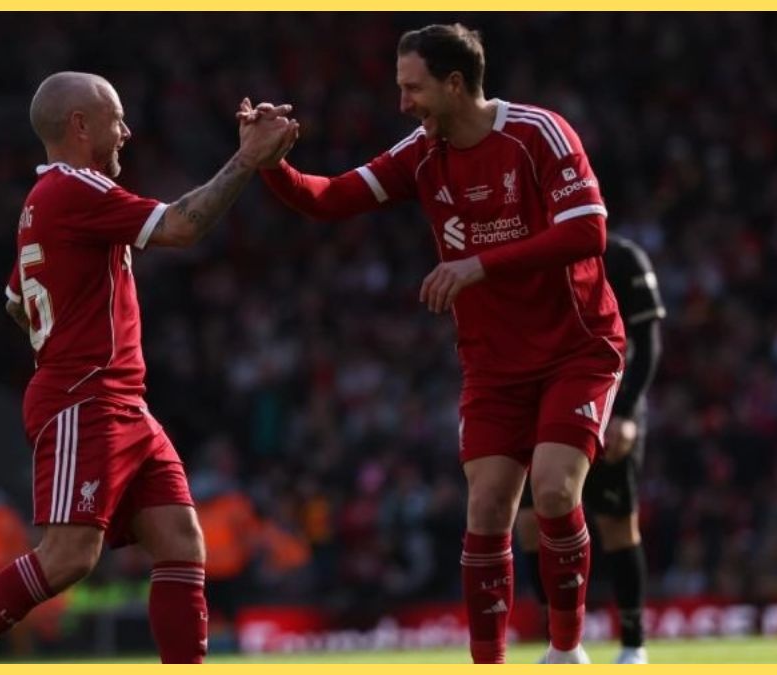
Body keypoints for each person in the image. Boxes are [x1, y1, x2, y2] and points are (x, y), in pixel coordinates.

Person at [248, 23, 625, 663]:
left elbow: (588, 231)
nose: (403, 103)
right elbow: (331, 199)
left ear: (454, 84)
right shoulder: (422, 151)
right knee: (487, 506)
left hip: (576, 347)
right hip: (493, 364)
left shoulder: (538, 132)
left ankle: (566, 651)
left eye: (413, 88)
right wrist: (272, 166)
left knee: (555, 490)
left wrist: (479, 264)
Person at [0, 71, 295, 665]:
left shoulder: (42, 201)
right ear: (80, 126)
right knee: (68, 556)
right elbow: (181, 226)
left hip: (120, 401)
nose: (127, 132)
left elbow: (16, 302)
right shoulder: (76, 188)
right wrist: (247, 160)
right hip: (84, 398)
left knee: (181, 542)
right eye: (117, 119)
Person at [516, 234, 665, 664]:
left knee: (617, 524)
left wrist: (628, 412)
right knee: (530, 523)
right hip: (545, 405)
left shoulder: (623, 258)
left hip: (612, 403)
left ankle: (633, 644)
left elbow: (647, 343)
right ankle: (561, 642)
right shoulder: (534, 260)